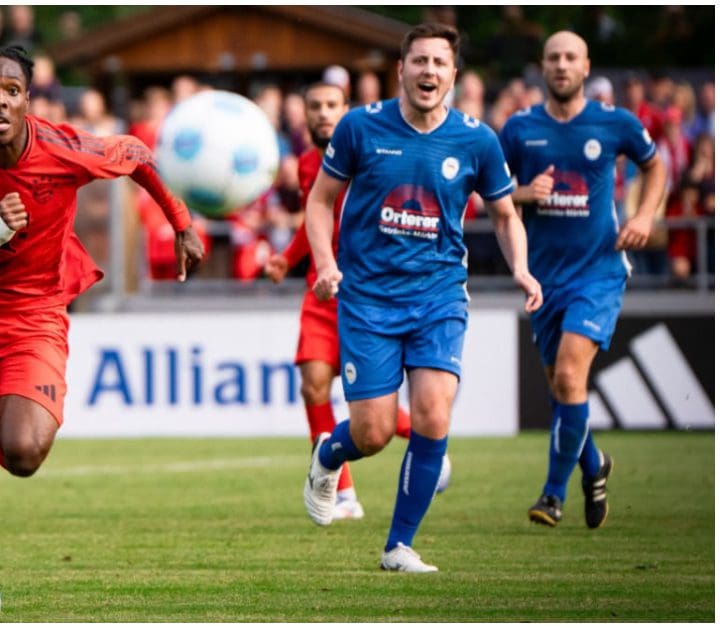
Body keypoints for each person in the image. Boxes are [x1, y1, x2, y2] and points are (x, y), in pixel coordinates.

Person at [0, 43, 204, 621]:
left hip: (32, 314)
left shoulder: (63, 146)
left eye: (11, 90)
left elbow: (137, 153)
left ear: (27, 101)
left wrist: (182, 222)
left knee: (22, 453)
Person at [303, 23, 542, 573]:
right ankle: (328, 455)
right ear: (401, 71)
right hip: (367, 298)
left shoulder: (478, 139)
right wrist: (326, 263)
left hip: (439, 296)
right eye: (419, 62)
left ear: (453, 74)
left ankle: (398, 547)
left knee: (433, 415)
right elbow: (320, 202)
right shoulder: (361, 127)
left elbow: (506, 216)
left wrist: (523, 271)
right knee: (374, 432)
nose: (429, 71)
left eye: (439, 63)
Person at [499, 31, 666, 529]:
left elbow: (654, 167)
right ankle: (594, 465)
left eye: (571, 57)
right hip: (543, 277)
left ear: (586, 65)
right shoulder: (518, 128)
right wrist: (525, 192)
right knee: (561, 390)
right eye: (553, 57)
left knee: (571, 377)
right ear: (542, 66)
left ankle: (553, 495)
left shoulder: (614, 122)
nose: (562, 65)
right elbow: (492, 190)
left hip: (598, 270)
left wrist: (645, 217)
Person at [265, 81, 450, 521]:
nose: (324, 114)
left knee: (371, 415)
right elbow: (317, 218)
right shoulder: (310, 165)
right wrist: (287, 259)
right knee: (313, 383)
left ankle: (428, 441)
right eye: (315, 106)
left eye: (332, 106)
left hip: (366, 295)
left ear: (348, 111)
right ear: (304, 114)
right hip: (319, 292)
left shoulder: (372, 155)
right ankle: (341, 490)